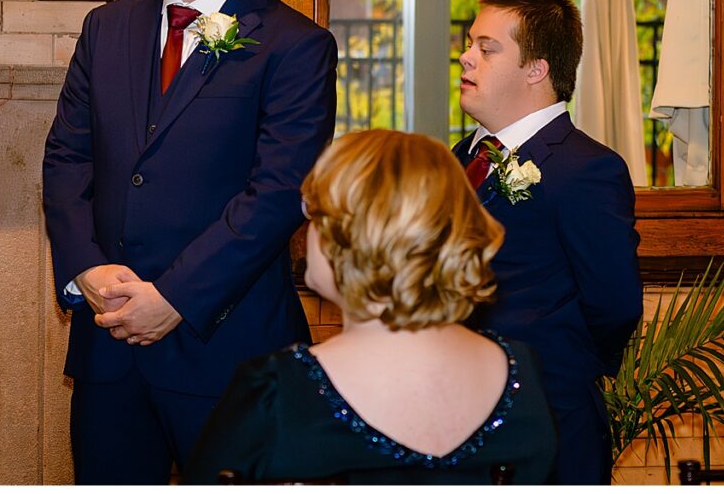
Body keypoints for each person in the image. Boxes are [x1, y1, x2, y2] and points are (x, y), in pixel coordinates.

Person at [41, 0, 337, 484]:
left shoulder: (296, 46)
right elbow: (67, 157)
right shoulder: (107, 27)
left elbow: (278, 191)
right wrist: (86, 270)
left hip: (228, 349)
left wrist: (174, 296)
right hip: (108, 350)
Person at [183, 130, 558, 485]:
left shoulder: (276, 390)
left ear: (349, 238)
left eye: (314, 213)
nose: (305, 230)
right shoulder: (521, 372)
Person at [454, 0, 643, 485]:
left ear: (537, 69)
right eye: (470, 43)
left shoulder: (585, 170)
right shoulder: (459, 159)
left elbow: (615, 305)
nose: (466, 57)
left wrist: (560, 368)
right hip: (455, 418)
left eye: (486, 48)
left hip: (549, 420)